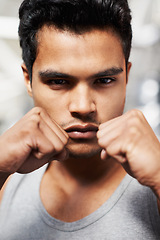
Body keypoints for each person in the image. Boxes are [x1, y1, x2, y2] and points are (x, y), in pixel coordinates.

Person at [0, 0, 160, 239]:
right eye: (58, 81)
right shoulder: (7, 180)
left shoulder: (154, 181)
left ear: (126, 77)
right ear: (28, 80)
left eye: (104, 80)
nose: (83, 107)